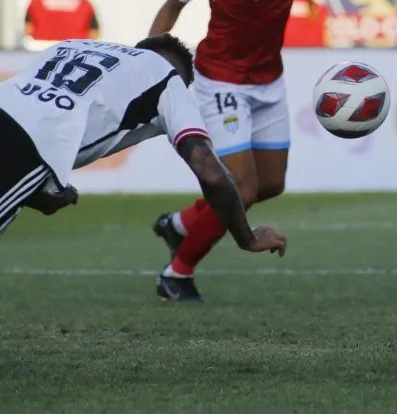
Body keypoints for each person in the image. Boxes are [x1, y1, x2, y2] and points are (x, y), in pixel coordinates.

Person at [147, 0, 311, 302]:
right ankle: (177, 274)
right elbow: (173, 3)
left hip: (269, 78)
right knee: (243, 186)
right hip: (222, 79)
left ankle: (180, 224)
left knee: (271, 184)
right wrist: (151, 58)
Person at [0, 34, 287, 266]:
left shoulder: (71, 45)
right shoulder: (168, 79)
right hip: (25, 148)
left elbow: (33, 109)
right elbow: (209, 171)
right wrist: (246, 238)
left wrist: (44, 193)